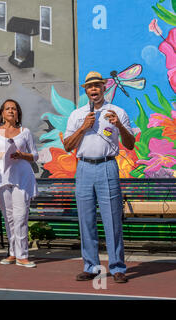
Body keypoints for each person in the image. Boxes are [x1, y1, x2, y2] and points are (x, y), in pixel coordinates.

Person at [63, 71, 135, 283]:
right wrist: (83, 128)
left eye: (97, 85)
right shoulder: (77, 115)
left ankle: (117, 267)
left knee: (112, 219)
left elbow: (130, 145)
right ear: (85, 90)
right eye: (90, 86)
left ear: (104, 88)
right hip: (84, 167)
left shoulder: (117, 112)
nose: (94, 89)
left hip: (107, 166)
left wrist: (119, 126)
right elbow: (67, 145)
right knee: (86, 220)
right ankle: (91, 266)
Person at [0, 99, 38, 268]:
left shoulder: (25, 132)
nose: (11, 111)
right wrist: (1, 155)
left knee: (20, 216)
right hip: (2, 178)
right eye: (7, 109)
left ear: (18, 113)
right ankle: (13, 253)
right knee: (9, 218)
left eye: (14, 109)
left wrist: (21, 155)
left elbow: (35, 155)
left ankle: (23, 255)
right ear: (2, 113)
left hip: (22, 178)